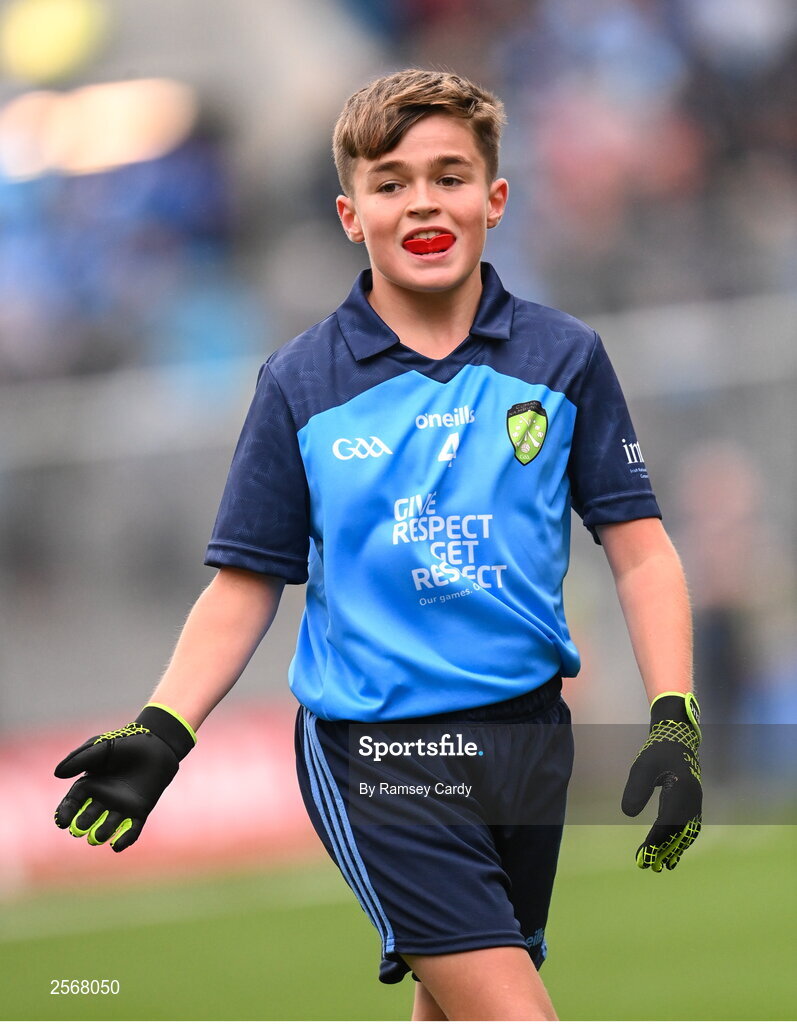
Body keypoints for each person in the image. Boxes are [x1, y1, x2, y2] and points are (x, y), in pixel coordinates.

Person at [53, 69, 703, 1021]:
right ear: (350, 214)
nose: (422, 202)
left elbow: (640, 550)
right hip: (380, 753)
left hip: (528, 744)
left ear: (494, 198)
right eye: (390, 182)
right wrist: (164, 726)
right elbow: (245, 585)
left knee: (453, 1006)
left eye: (448, 175)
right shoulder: (300, 384)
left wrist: (673, 716)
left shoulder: (565, 358)